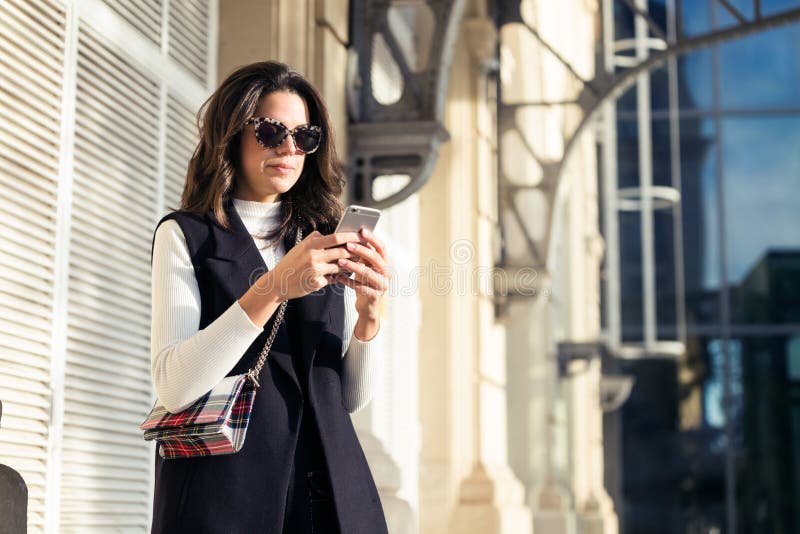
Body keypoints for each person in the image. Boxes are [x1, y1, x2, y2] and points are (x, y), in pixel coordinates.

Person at [147, 60, 391, 533]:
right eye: (271, 131)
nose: (289, 148)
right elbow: (173, 385)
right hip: (224, 494)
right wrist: (275, 287)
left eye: (305, 137)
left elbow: (347, 399)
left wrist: (370, 316)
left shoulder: (321, 238)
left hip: (328, 494)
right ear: (232, 134)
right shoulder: (188, 236)